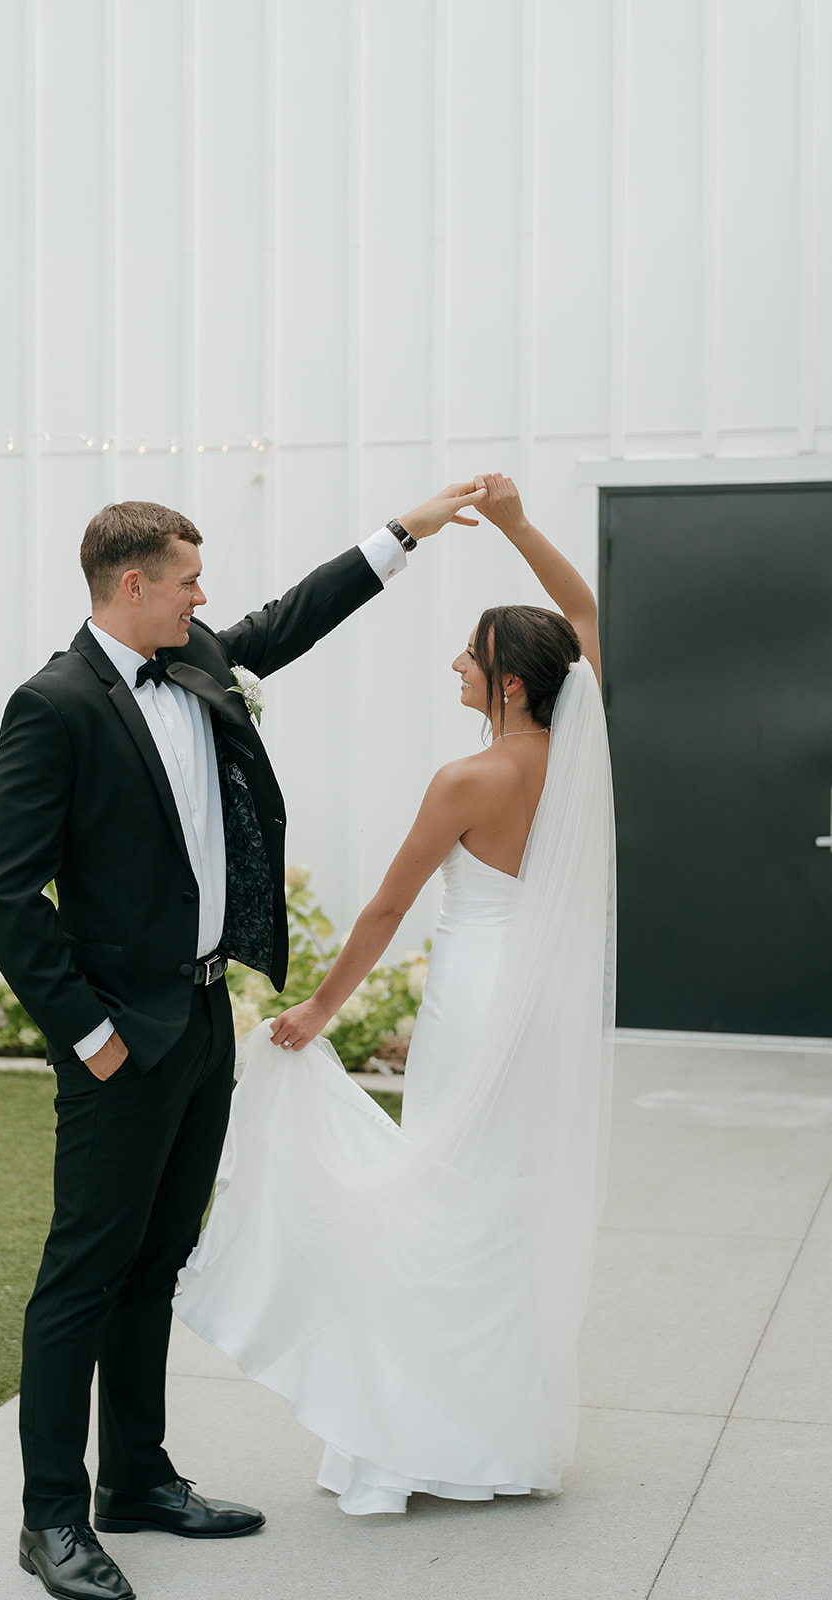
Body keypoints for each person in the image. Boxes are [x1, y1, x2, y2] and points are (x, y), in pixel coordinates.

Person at [0, 482, 487, 1600]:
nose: (207, 597)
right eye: (189, 579)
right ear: (133, 584)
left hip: (206, 1021)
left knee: (154, 1265)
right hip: (122, 1039)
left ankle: (138, 1478)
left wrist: (403, 534)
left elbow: (287, 620)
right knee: (82, 1276)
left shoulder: (197, 653)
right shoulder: (52, 705)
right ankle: (50, 1515)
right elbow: (7, 893)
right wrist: (90, 1035)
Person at [174, 474, 616, 1515]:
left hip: (472, 998)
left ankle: (418, 1433)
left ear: (509, 684)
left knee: (441, 1192)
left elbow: (381, 911)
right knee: (500, 1201)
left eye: (472, 654)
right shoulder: (580, 750)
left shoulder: (467, 782)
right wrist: (514, 527)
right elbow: (586, 614)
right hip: (543, 1004)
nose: (456, 664)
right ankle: (493, 1427)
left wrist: (315, 1013)